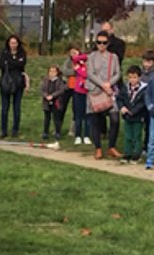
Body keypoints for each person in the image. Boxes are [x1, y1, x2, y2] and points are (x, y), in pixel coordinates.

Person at [86, 31, 122, 159]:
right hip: (95, 91)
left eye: (104, 42)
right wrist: (102, 85)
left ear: (108, 43)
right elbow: (90, 74)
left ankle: (112, 146)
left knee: (115, 119)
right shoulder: (91, 57)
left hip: (109, 92)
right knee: (95, 120)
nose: (101, 45)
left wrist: (109, 84)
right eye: (99, 42)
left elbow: (118, 73)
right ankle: (98, 148)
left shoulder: (114, 57)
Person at [0, 35, 28, 138]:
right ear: (8, 43)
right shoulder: (4, 52)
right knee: (4, 108)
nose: (13, 45)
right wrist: (14, 62)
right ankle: (3, 130)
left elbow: (21, 64)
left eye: (15, 43)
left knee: (17, 107)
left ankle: (15, 130)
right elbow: (1, 64)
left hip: (18, 83)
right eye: (11, 43)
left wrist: (9, 62)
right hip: (6, 83)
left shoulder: (22, 53)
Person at [116, 65, 147, 163]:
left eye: (134, 77)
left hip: (138, 116)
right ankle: (127, 153)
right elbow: (119, 98)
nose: (132, 80)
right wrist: (122, 107)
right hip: (127, 116)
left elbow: (143, 103)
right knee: (128, 135)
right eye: (130, 77)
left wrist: (133, 111)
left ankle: (136, 154)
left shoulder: (144, 89)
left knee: (137, 136)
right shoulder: (125, 88)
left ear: (139, 77)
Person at [62, 47, 90, 145]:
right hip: (78, 90)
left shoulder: (87, 62)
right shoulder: (76, 63)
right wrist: (80, 65)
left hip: (87, 91)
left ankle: (86, 135)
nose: (73, 53)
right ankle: (78, 135)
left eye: (75, 51)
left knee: (87, 115)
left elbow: (87, 74)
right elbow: (81, 71)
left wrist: (83, 63)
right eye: (72, 52)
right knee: (78, 114)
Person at [40, 65, 66, 141]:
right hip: (46, 101)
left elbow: (61, 90)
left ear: (57, 72)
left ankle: (58, 132)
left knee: (56, 118)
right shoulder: (45, 80)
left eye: (54, 71)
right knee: (47, 118)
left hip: (56, 101)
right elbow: (41, 90)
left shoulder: (60, 81)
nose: (52, 73)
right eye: (50, 71)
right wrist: (46, 96)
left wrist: (53, 96)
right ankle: (45, 132)